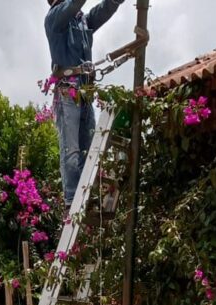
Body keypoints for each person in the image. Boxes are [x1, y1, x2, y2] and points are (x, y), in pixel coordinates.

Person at [45, 0, 128, 204]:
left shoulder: (81, 22)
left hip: (84, 92)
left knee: (89, 151)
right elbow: (74, 4)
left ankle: (87, 195)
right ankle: (72, 200)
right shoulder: (55, 17)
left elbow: (102, 10)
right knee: (71, 151)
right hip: (68, 92)